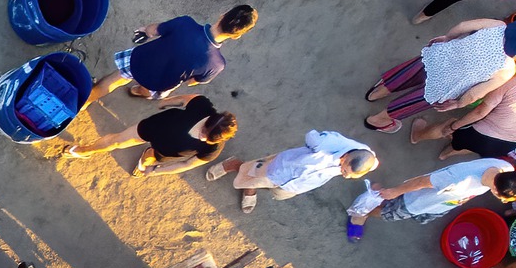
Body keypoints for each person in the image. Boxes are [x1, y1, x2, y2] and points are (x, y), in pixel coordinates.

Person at [364, 18, 516, 133]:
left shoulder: (497, 26)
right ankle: (378, 119)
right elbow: (475, 94)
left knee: (406, 75)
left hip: (437, 58)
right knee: (413, 101)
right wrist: (458, 104)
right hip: (443, 86)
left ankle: (375, 94)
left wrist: (447, 38)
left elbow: (462, 26)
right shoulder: (507, 69)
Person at [91, 6, 254, 103]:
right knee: (149, 90)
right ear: (236, 36)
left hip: (140, 61)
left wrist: (145, 30)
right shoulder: (217, 65)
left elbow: (153, 30)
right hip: (161, 82)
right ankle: (137, 91)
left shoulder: (186, 23)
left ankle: (85, 101)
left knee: (112, 81)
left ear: (223, 14)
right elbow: (192, 82)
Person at [206, 128, 377, 211]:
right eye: (345, 171)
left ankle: (252, 185)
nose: (345, 176)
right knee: (254, 173)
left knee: (275, 191)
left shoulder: (366, 157)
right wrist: (317, 145)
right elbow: (312, 136)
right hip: (282, 168)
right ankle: (234, 165)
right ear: (345, 157)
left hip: (297, 184)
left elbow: (373, 161)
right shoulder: (329, 144)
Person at [64, 98, 238, 175]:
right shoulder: (202, 105)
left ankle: (144, 160)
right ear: (209, 119)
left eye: (207, 139)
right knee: (116, 140)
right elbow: (183, 99)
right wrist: (164, 103)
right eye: (204, 131)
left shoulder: (213, 148)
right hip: (154, 127)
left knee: (149, 158)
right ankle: (85, 150)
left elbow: (187, 164)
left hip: (165, 151)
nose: (201, 138)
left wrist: (157, 172)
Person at [351, 155, 516, 225]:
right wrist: (396, 191)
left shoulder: (505, 167)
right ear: (495, 187)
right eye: (502, 198)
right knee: (388, 214)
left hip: (441, 204)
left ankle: (379, 192)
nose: (502, 201)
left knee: (420, 216)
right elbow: (423, 182)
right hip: (415, 200)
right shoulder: (459, 180)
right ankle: (363, 212)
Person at [421, 76, 516, 161]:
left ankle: (417, 136)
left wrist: (452, 127)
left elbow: (480, 112)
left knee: (452, 124)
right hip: (504, 147)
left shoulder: (512, 83)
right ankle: (445, 154)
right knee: (472, 145)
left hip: (482, 135)